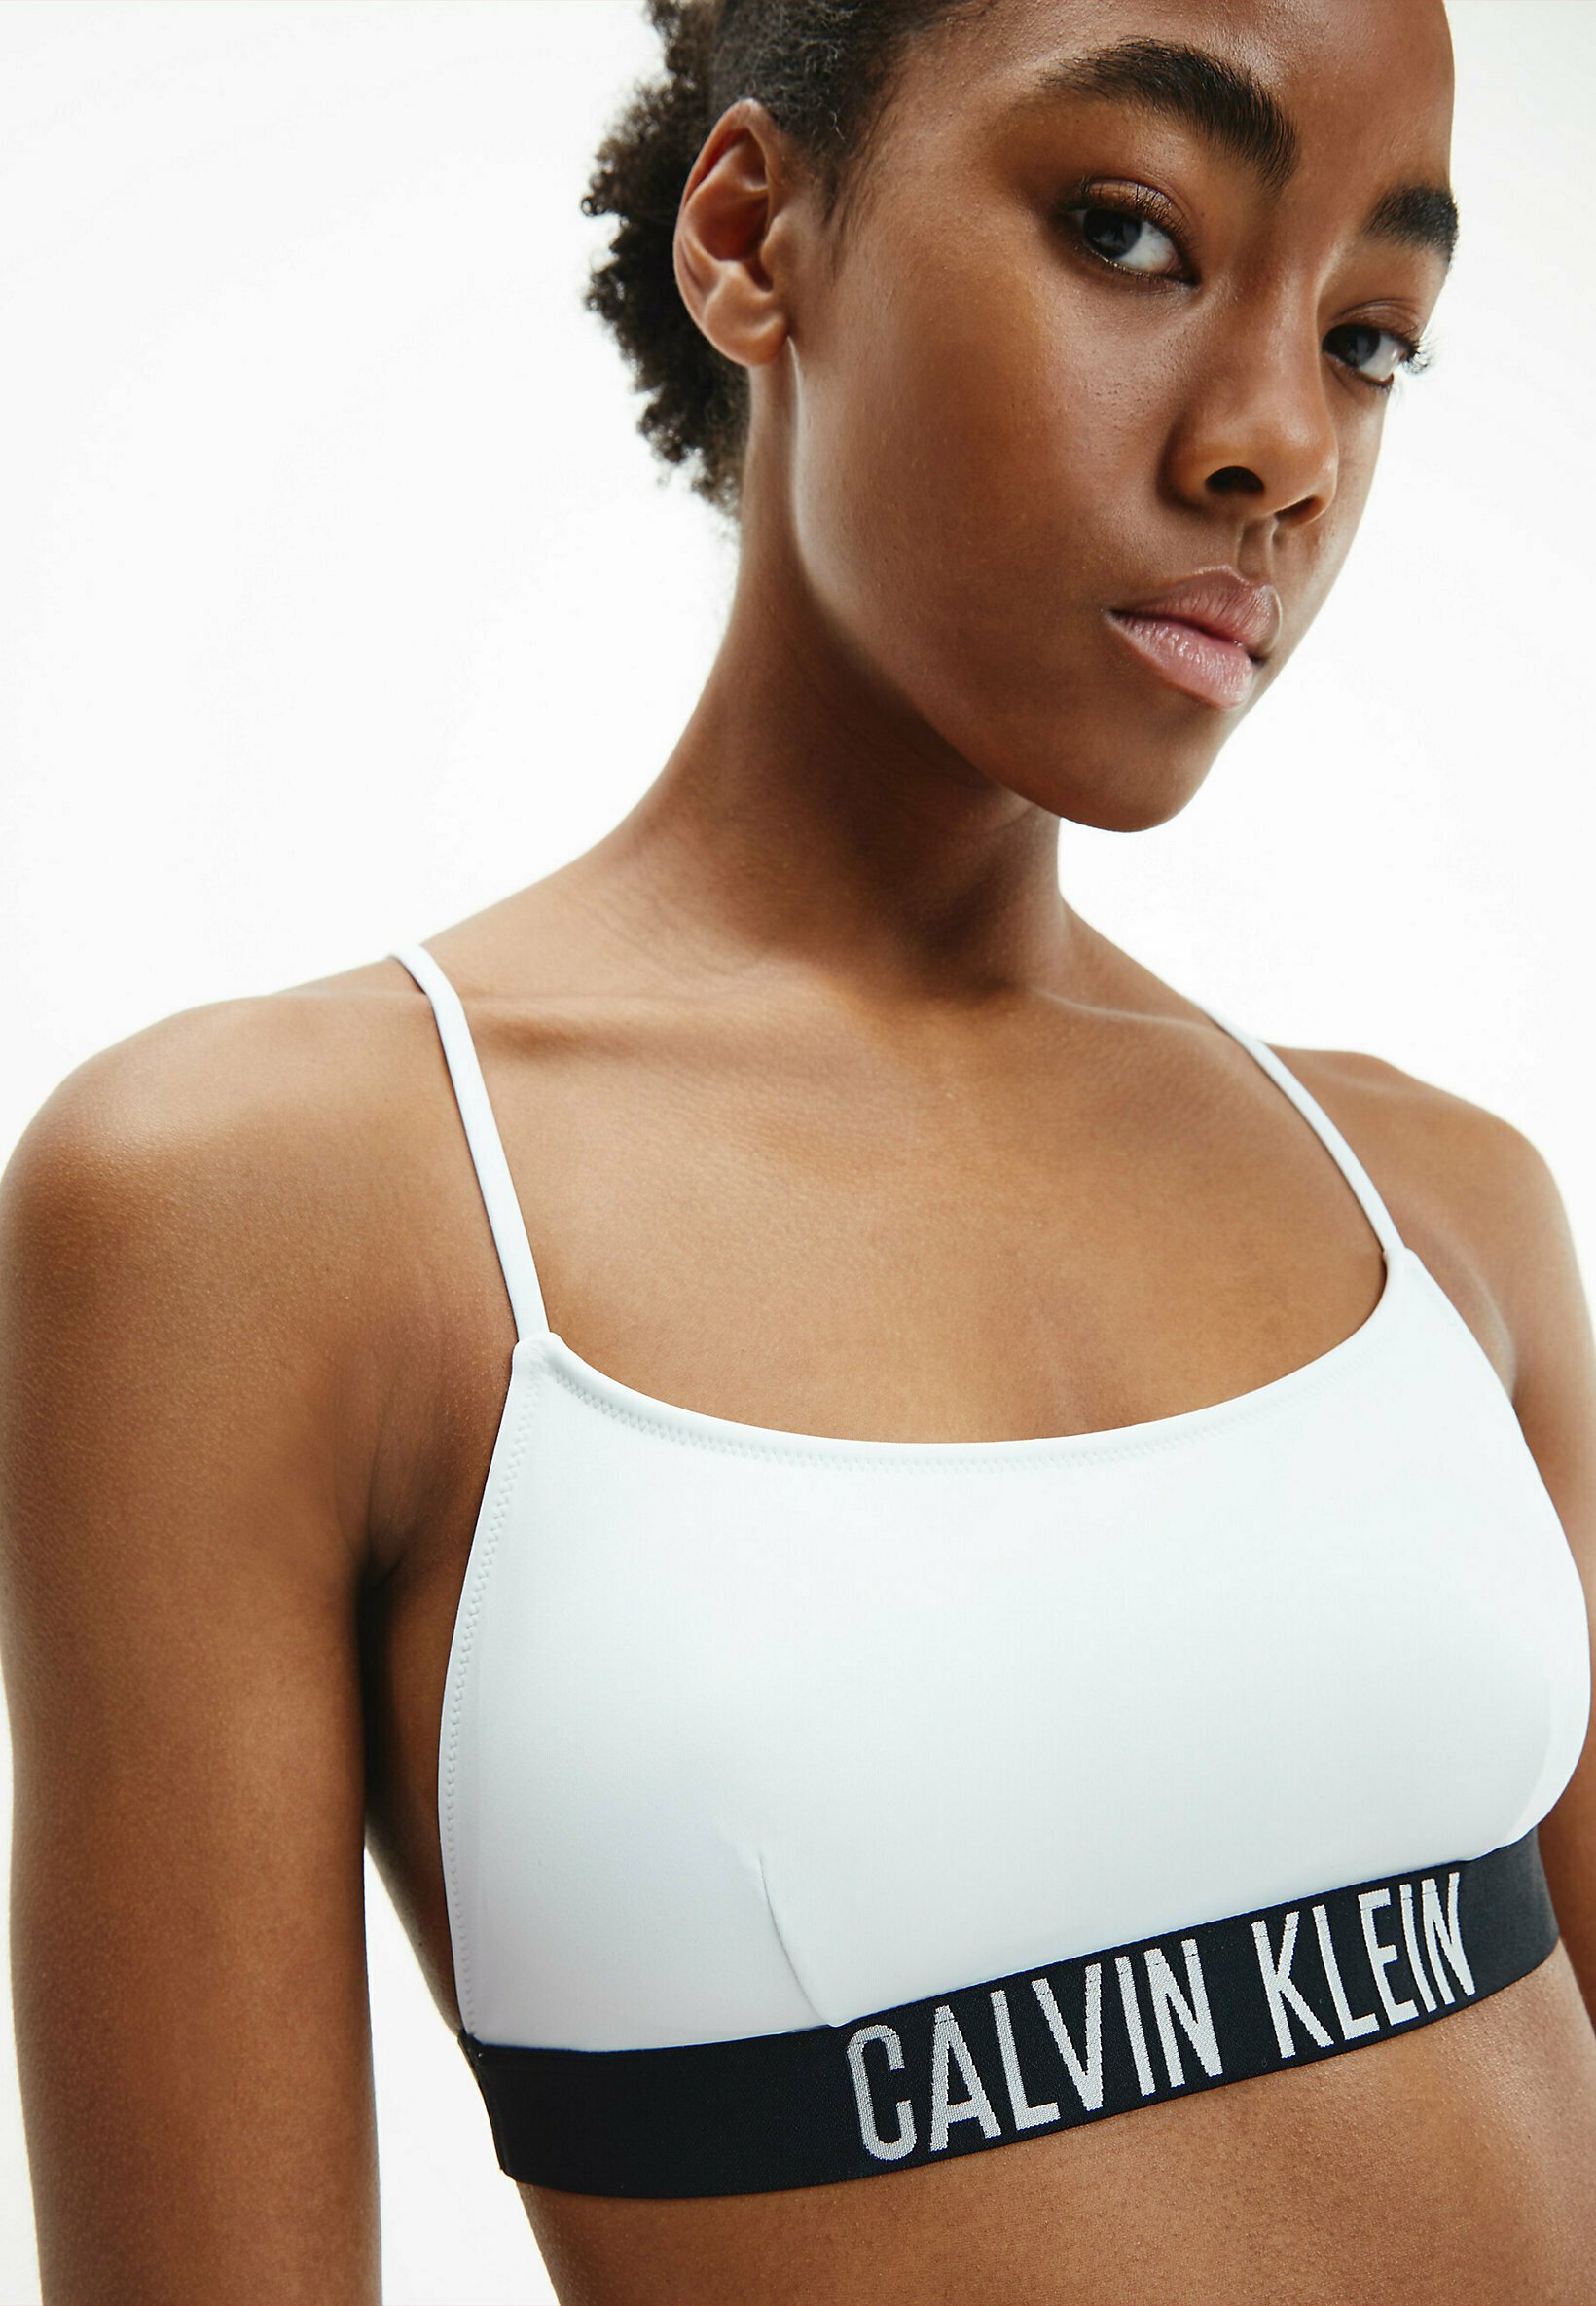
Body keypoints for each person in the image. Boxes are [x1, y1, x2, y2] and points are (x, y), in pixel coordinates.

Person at [3, 0, 1595, 2299]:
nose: (1275, 449)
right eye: (1128, 233)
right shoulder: (280, 1206)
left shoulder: (1444, 1221)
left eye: (1369, 340)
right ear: (753, 237)